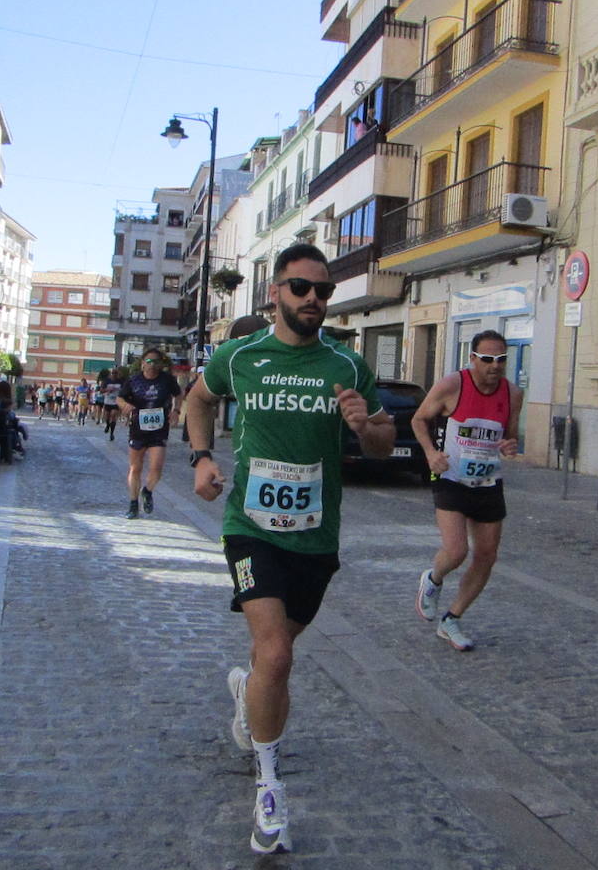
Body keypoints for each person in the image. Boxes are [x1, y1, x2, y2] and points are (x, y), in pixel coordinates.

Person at [185, 243, 395, 854]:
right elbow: (198, 400)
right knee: (276, 656)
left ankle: (249, 697)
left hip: (316, 535)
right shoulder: (240, 355)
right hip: (249, 526)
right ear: (274, 292)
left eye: (322, 291)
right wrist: (201, 458)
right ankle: (270, 783)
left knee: (269, 659)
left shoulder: (347, 366)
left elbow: (383, 442)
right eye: (300, 288)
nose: (312, 300)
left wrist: (365, 426)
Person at [411, 329, 523, 651]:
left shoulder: (513, 394)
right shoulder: (452, 385)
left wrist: (510, 446)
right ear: (472, 358)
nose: (495, 366)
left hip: (488, 481)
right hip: (450, 477)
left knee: (487, 556)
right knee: (457, 550)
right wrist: (432, 454)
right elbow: (419, 420)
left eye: (501, 359)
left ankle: (452, 619)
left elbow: (510, 437)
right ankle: (432, 579)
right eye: (487, 359)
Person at [117, 350, 181, 519]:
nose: (152, 365)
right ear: (142, 363)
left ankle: (147, 491)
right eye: (149, 361)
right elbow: (120, 398)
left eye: (156, 362)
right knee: (135, 467)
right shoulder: (133, 380)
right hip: (138, 428)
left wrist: (176, 410)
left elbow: (179, 394)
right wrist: (125, 406)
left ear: (160, 364)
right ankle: (133, 503)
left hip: (159, 428)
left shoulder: (167, 380)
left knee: (156, 468)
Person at [102, 373, 122, 441]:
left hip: (116, 402)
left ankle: (112, 433)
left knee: (113, 415)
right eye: (113, 374)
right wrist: (108, 390)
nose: (114, 376)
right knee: (107, 416)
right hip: (108, 401)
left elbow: (124, 390)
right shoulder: (106, 381)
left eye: (115, 374)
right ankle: (107, 425)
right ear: (111, 375)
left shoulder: (120, 381)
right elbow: (101, 390)